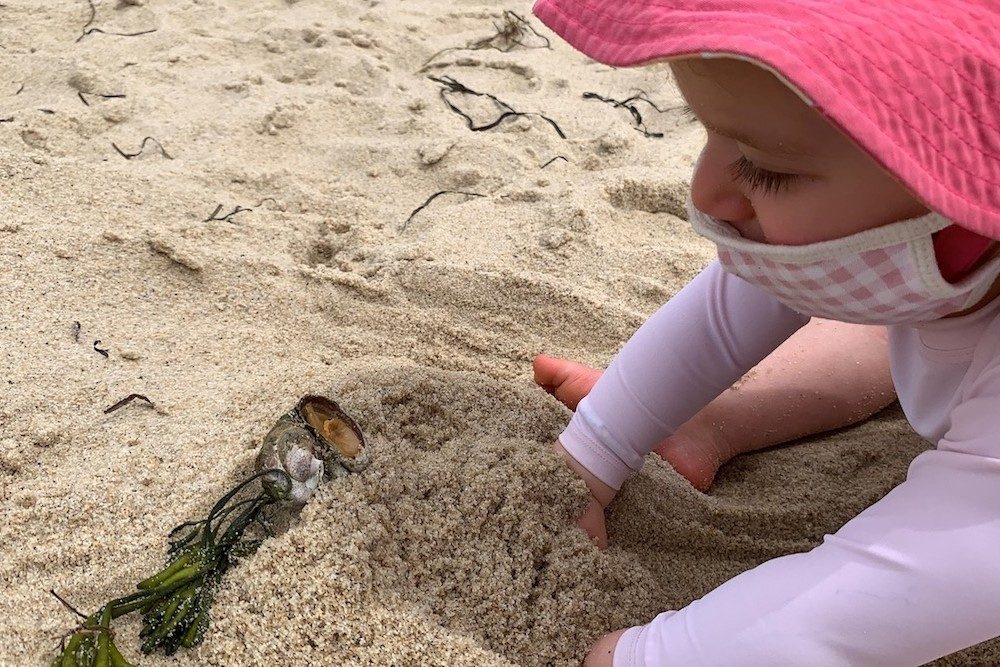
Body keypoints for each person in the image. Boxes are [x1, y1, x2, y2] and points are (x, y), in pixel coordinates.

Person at [529, 1, 1000, 664]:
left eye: (763, 168)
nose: (705, 192)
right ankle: (711, 423)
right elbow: (749, 295)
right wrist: (595, 448)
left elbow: (907, 572)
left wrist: (656, 654)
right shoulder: (950, 253)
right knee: (871, 307)